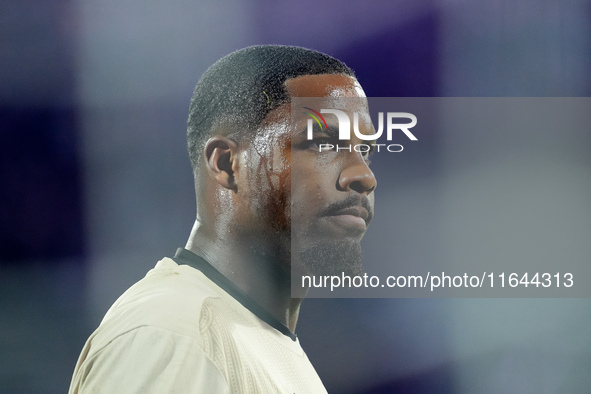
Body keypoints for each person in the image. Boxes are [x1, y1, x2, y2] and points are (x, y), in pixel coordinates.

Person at [68, 45, 377, 393]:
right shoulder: (175, 333)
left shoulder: (251, 338)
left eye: (364, 150)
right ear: (227, 163)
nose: (364, 176)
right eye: (322, 143)